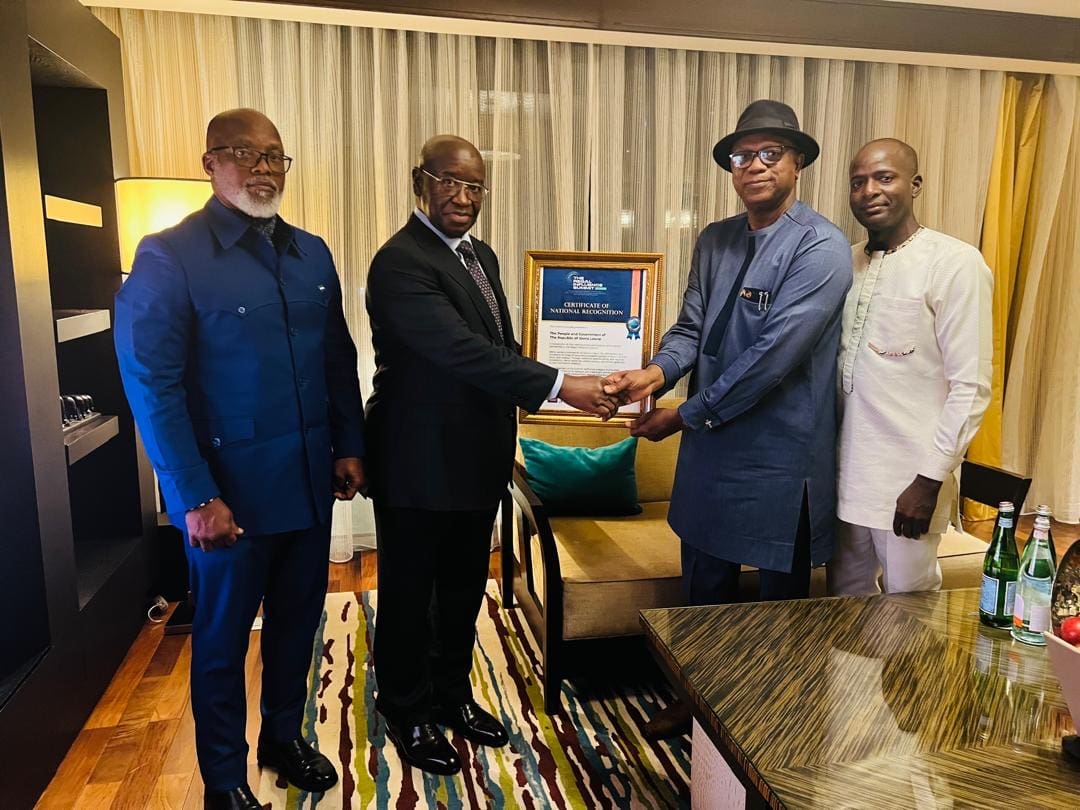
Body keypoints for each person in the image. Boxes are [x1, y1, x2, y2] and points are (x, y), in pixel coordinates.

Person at [115, 109, 365, 810]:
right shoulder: (169, 255)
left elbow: (337, 357)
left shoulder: (312, 251)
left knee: (298, 625)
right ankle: (223, 781)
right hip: (228, 495)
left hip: (309, 484)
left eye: (274, 156)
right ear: (210, 163)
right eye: (245, 154)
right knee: (223, 643)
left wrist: (350, 442)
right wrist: (193, 495)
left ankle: (282, 738)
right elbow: (152, 386)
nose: (263, 168)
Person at [364, 134, 618, 775]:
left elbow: (500, 347)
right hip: (417, 460)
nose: (463, 196)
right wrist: (562, 384)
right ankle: (407, 708)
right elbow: (461, 352)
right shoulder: (400, 262)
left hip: (477, 458)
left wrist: (557, 386)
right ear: (420, 182)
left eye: (474, 185)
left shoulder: (482, 256)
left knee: (461, 590)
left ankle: (450, 694)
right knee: (409, 594)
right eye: (449, 181)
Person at [605, 100, 852, 738]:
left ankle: (774, 720)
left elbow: (771, 359)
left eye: (771, 153)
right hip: (711, 453)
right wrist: (654, 374)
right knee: (703, 589)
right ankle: (696, 697)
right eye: (743, 155)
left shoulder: (821, 247)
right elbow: (692, 328)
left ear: (798, 163)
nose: (755, 166)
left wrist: (683, 416)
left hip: (781, 461)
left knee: (780, 612)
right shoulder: (715, 238)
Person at [828, 138, 992, 596]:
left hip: (909, 481)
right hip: (844, 478)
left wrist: (929, 479)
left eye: (885, 178)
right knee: (844, 603)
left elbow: (971, 387)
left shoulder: (955, 263)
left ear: (915, 184)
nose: (869, 191)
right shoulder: (846, 263)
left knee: (910, 608)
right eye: (858, 182)